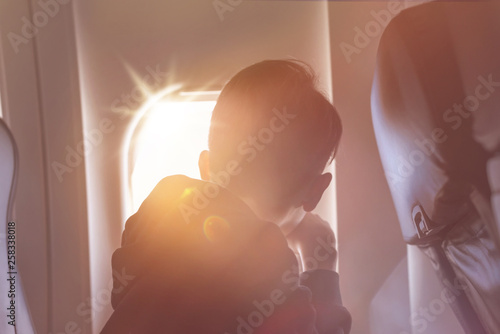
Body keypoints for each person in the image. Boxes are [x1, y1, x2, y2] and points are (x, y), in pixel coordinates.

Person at [101, 59, 350, 334]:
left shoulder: (152, 221)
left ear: (205, 166)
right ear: (316, 191)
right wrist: (322, 267)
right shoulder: (270, 261)